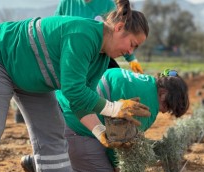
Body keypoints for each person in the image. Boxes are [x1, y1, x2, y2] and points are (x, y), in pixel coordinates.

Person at [0, 0, 150, 172]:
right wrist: (115, 108)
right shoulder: (83, 34)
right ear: (118, 28)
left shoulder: (101, 59)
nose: (129, 52)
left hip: (31, 76)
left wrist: (100, 131)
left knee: (52, 134)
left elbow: (80, 101)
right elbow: (74, 91)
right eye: (132, 44)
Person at [21, 68, 190, 172]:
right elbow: (120, 143)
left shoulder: (143, 80)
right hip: (71, 122)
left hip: (56, 104)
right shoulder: (149, 106)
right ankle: (44, 170)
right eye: (167, 107)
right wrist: (119, 169)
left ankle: (47, 164)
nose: (162, 111)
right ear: (164, 93)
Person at [13, 0, 144, 124]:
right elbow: (58, 20)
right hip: (70, 49)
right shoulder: (68, 3)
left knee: (104, 77)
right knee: (68, 82)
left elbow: (121, 34)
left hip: (98, 52)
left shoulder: (106, 3)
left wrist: (131, 59)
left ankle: (105, 113)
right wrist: (112, 108)